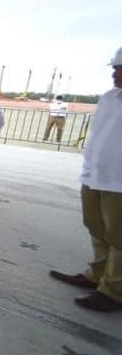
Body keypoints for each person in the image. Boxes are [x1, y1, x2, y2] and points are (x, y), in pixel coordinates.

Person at [50, 46, 122, 312]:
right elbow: (97, 136)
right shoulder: (109, 98)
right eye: (115, 68)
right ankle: (97, 274)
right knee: (96, 228)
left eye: (119, 68)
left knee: (119, 237)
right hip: (96, 177)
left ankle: (114, 290)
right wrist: (88, 171)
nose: (114, 73)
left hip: (119, 182)